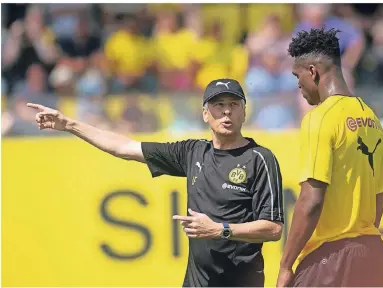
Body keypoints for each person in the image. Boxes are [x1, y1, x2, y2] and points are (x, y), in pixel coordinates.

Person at [27, 78, 284, 287]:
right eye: (218, 105)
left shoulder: (260, 159)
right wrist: (69, 124)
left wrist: (220, 229)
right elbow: (124, 147)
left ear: (244, 111)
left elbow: (273, 229)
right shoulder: (193, 152)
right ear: (206, 114)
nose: (226, 111)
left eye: (233, 104)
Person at [276, 27, 383, 287]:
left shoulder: (320, 118)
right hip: (372, 253)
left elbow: (312, 200)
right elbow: (377, 205)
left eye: (298, 76)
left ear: (313, 71)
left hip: (332, 257)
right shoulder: (371, 119)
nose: (298, 85)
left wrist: (285, 265)